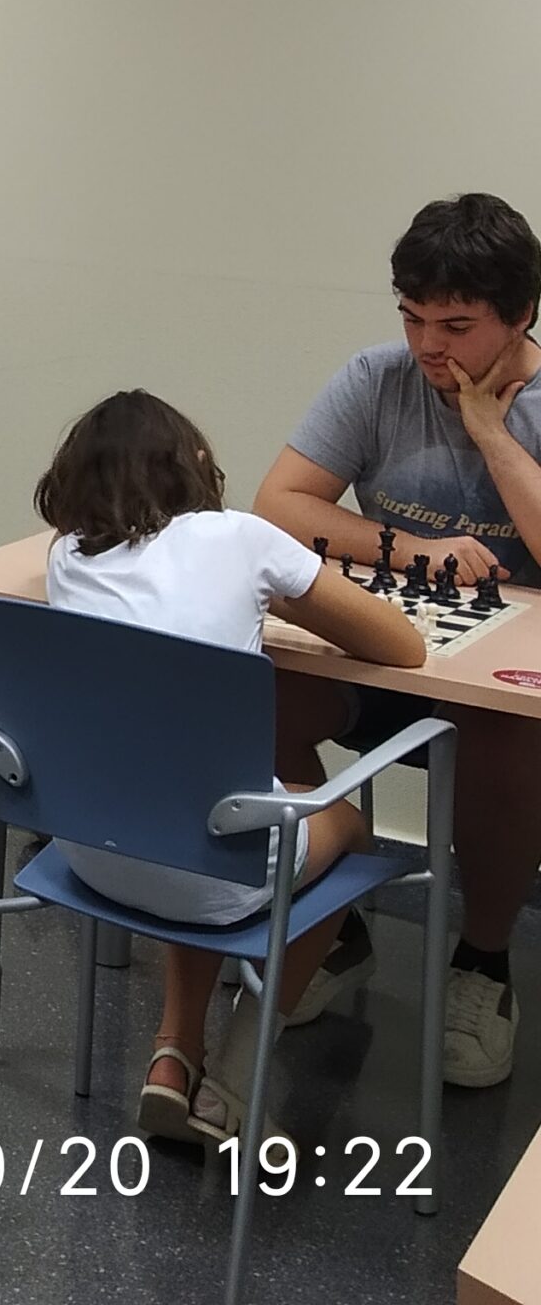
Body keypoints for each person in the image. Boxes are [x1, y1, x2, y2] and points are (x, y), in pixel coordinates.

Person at [37, 391, 423, 1145]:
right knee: (344, 827)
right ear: (196, 462)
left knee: (202, 809)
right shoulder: (241, 537)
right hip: (211, 867)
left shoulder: (64, 556)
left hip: (88, 853)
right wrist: (275, 595)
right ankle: (239, 1078)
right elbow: (402, 646)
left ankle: (174, 1054)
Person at [253, 192, 541, 1089]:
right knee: (261, 692)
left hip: (504, 685)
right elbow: (280, 504)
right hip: (395, 651)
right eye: (412, 318)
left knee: (510, 738)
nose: (427, 346)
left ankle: (483, 962)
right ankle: (332, 929)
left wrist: (491, 434)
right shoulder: (376, 379)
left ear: (521, 315)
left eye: (455, 325)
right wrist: (416, 550)